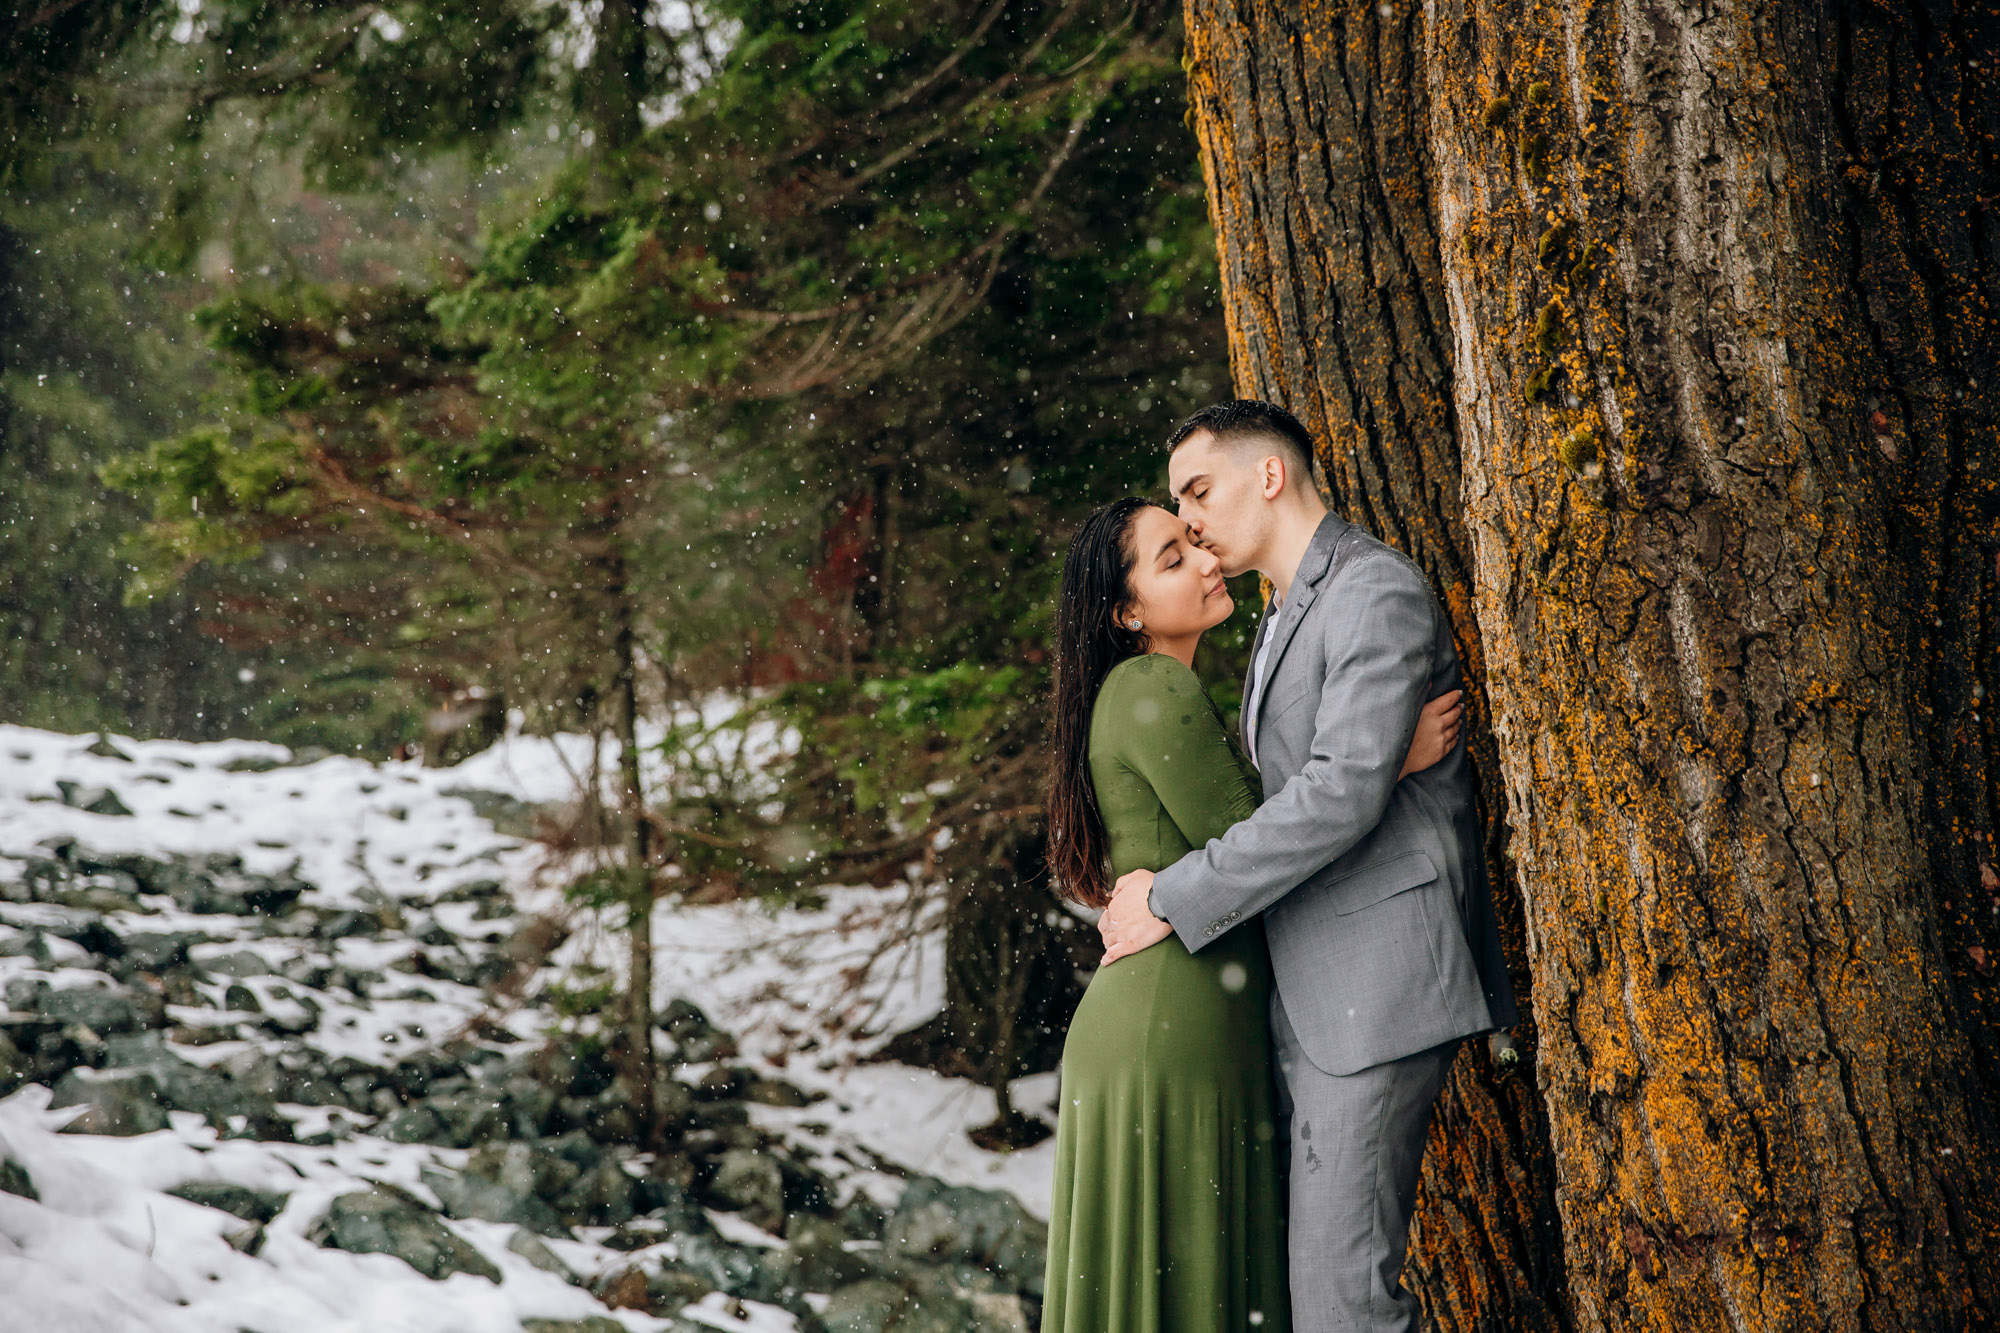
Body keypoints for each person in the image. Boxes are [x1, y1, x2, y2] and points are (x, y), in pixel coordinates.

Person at [1096, 401, 1518, 1333]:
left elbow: (1336, 795)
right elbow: (1309, 783)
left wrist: (1174, 893)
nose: (1191, 520)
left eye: (1198, 491)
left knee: (1343, 1308)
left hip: (1377, 985)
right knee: (1320, 1300)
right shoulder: (1282, 614)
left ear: (1271, 477)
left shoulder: (1373, 590)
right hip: (1318, 992)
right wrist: (1378, 762)